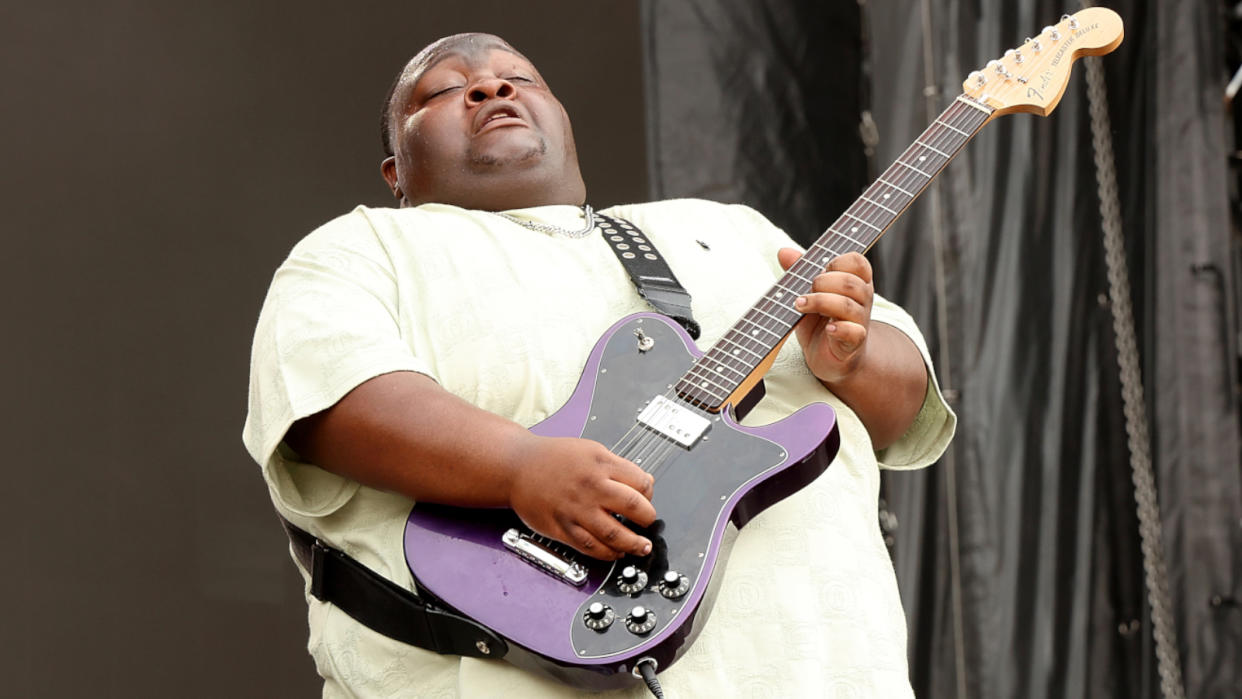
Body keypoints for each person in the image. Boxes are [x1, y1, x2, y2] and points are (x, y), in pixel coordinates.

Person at [244, 32, 955, 698]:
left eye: (518, 77)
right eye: (445, 90)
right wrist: (521, 466)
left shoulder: (727, 230)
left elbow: (907, 410)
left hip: (824, 670)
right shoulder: (359, 250)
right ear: (397, 169)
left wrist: (851, 358)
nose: (492, 87)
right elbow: (330, 401)